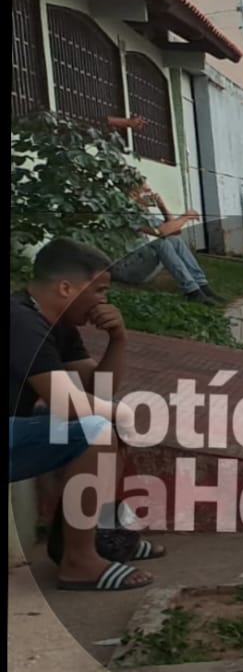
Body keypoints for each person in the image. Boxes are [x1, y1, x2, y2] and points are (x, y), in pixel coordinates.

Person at [10, 240, 156, 591]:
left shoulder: (57, 324)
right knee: (97, 430)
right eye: (100, 290)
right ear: (65, 287)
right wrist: (121, 413)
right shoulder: (19, 319)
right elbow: (68, 403)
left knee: (100, 424)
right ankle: (78, 562)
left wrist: (117, 339)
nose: (103, 300)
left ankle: (103, 537)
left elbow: (97, 392)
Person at [126, 181, 220, 305]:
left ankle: (202, 286)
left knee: (174, 240)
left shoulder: (146, 214)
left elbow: (175, 231)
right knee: (161, 243)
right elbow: (161, 232)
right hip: (129, 269)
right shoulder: (129, 213)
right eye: (147, 191)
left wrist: (162, 206)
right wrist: (186, 216)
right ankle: (192, 291)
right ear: (134, 195)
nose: (152, 194)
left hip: (142, 262)